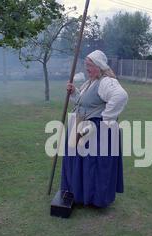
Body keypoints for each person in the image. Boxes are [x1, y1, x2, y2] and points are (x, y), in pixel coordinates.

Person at [62, 50, 128, 208]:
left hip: (95, 130)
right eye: (86, 65)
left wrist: (106, 117)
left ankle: (93, 198)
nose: (87, 68)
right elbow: (83, 101)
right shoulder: (90, 81)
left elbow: (120, 96)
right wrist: (74, 92)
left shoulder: (106, 82)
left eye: (89, 65)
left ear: (99, 66)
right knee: (79, 161)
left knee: (93, 165)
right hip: (81, 126)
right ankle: (78, 193)